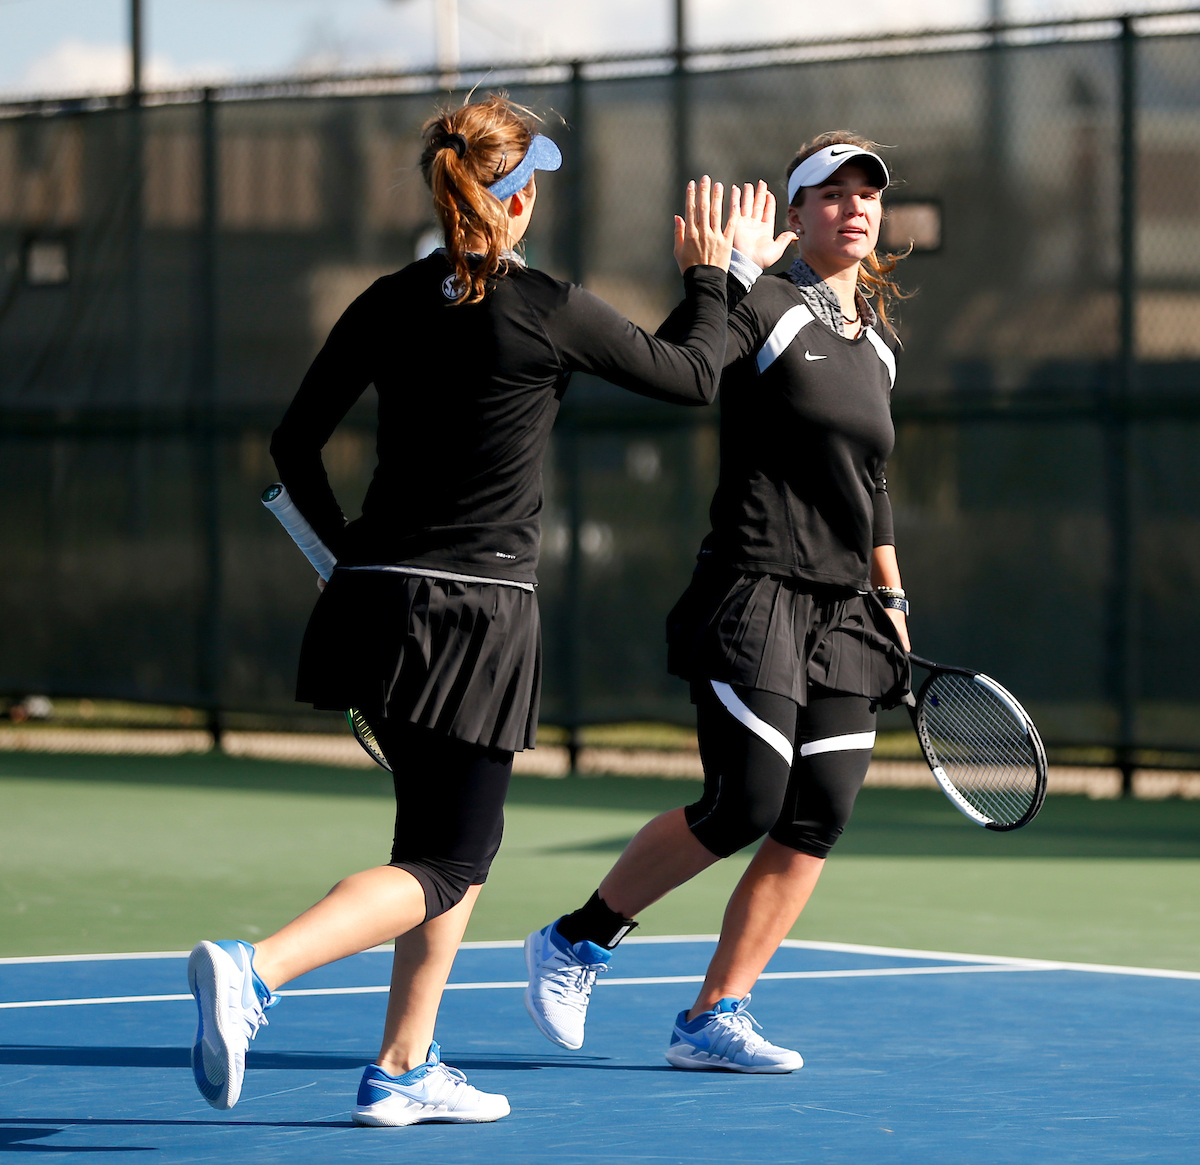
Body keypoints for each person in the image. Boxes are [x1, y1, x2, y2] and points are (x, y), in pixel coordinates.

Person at [186, 93, 738, 1126]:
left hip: (370, 604)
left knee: (439, 845)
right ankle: (258, 968)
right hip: (474, 618)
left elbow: (293, 444)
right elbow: (694, 373)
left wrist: (343, 555)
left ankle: (403, 1065)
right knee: (451, 859)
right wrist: (717, 279)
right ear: (516, 200)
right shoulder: (550, 308)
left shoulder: (388, 300)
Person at [524, 132, 913, 1074]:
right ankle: (577, 937)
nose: (854, 207)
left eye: (867, 194)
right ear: (796, 214)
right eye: (831, 194)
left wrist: (894, 596)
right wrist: (726, 275)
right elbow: (682, 365)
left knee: (817, 814)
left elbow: (872, 484)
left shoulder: (879, 346)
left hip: (848, 611)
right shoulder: (768, 307)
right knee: (746, 801)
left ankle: (713, 1014)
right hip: (755, 588)